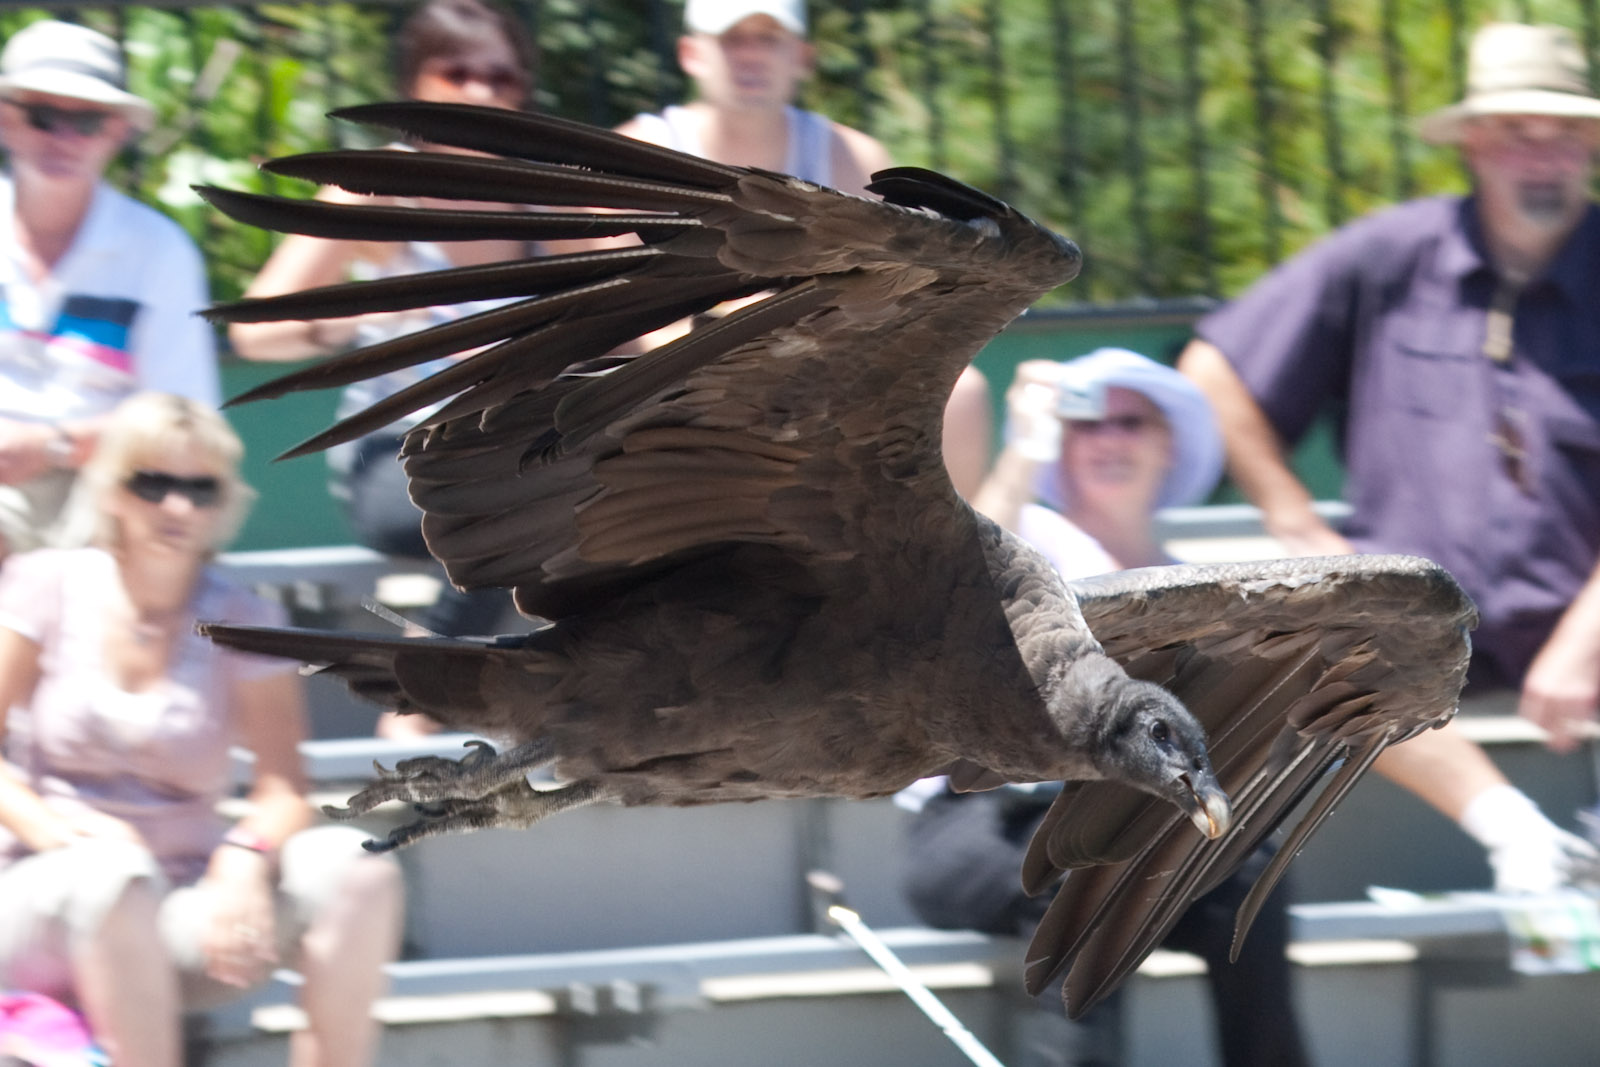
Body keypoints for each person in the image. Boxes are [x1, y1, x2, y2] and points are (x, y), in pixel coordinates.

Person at [1178, 21, 1600, 892]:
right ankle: (1518, 832)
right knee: (1311, 631)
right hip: (1417, 631)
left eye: (1566, 133)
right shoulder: (1390, 255)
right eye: (1519, 132)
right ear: (1475, 144)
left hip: (1582, 628)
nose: (1544, 155)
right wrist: (1296, 522)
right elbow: (1212, 372)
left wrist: (1585, 639)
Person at [903, 349, 1308, 1067]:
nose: (1109, 439)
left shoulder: (1203, 587)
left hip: (1136, 830)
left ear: (1167, 444)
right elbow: (962, 602)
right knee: (1090, 864)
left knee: (1250, 871)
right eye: (1085, 422)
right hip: (980, 824)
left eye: (1131, 421)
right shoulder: (1027, 535)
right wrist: (1023, 451)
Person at [0, 392, 402, 1067]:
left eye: (198, 487)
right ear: (112, 492)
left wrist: (243, 854)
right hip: (42, 892)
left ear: (224, 501)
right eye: (152, 483)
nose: (177, 506)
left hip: (181, 902)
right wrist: (57, 831)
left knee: (357, 869)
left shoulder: (243, 616)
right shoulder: (44, 583)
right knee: (111, 873)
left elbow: (282, 790)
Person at [229, 0, 534, 663]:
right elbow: (255, 331)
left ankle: (438, 678)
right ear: (413, 87)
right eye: (457, 73)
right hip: (398, 456)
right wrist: (362, 315)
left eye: (501, 78)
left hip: (515, 446)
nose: (481, 92)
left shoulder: (545, 198)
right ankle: (429, 680)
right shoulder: (376, 191)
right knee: (512, 500)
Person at [0, 20, 218, 560]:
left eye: (88, 121)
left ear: (117, 132)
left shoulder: (160, 250)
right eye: (44, 117)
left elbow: (185, 420)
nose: (64, 139)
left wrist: (51, 447)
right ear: (7, 121)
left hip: (117, 487)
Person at [618, 0, 892, 196]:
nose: (751, 55)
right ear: (691, 54)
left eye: (768, 38)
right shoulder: (627, 164)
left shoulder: (860, 166)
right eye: (731, 39)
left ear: (803, 56)